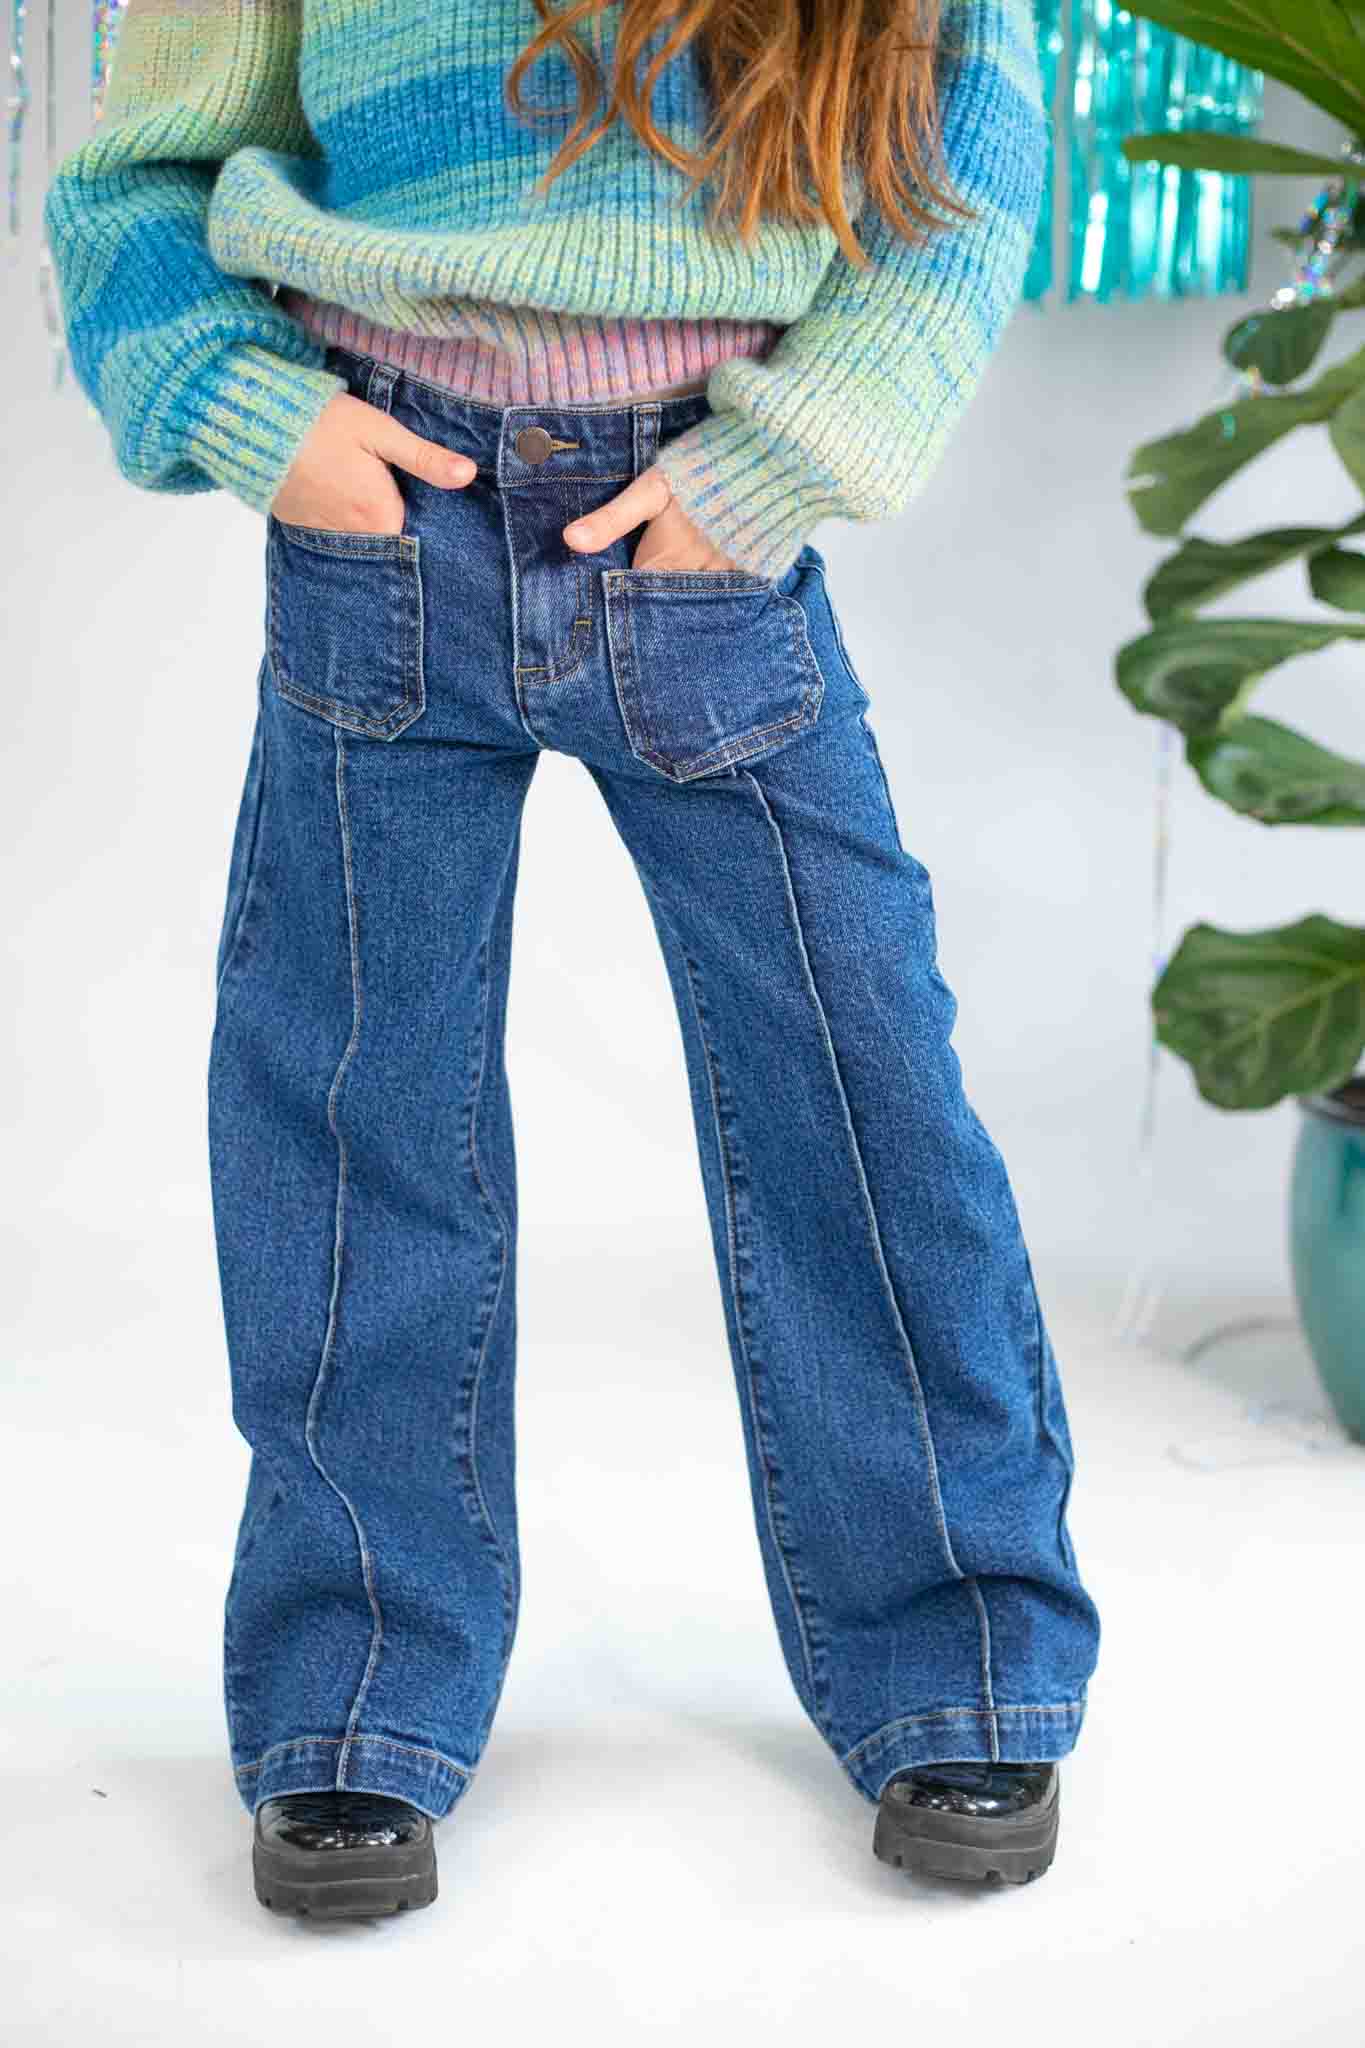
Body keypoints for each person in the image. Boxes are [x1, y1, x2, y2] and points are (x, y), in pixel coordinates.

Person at [45, 0, 1102, 1918]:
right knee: (353, 1124)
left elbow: (963, 164)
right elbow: (129, 175)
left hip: (702, 527)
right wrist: (247, 408)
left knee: (861, 1098)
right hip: (389, 523)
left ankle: (956, 1662)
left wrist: (773, 468)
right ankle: (355, 1699)